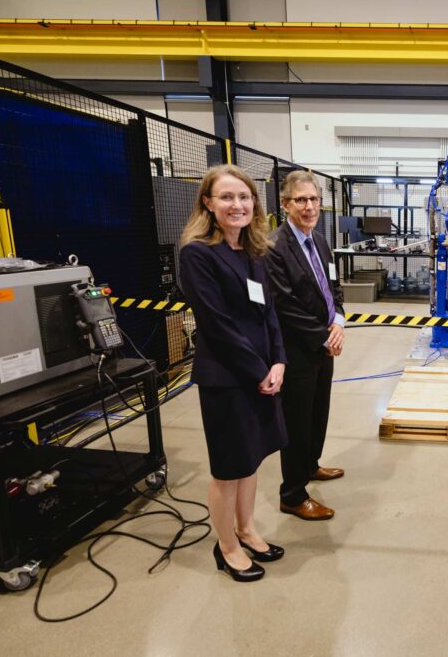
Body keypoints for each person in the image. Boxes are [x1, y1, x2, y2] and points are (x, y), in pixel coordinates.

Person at [178, 164, 288, 583]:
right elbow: (217, 324)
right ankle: (226, 547)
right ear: (208, 203)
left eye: (244, 197)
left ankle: (246, 529)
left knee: (251, 459)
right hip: (228, 377)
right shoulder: (197, 254)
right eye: (226, 197)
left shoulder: (255, 250)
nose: (237, 205)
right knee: (228, 468)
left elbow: (269, 314)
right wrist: (259, 370)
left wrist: (278, 361)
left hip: (262, 372)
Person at [266, 170, 346, 522]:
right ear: (285, 204)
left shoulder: (321, 242)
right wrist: (323, 336)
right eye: (301, 200)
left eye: (314, 199)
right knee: (297, 422)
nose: (309, 206)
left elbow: (334, 289)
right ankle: (293, 494)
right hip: (297, 350)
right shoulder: (274, 248)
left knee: (318, 412)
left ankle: (310, 465)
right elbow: (284, 305)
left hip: (324, 344)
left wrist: (339, 322)